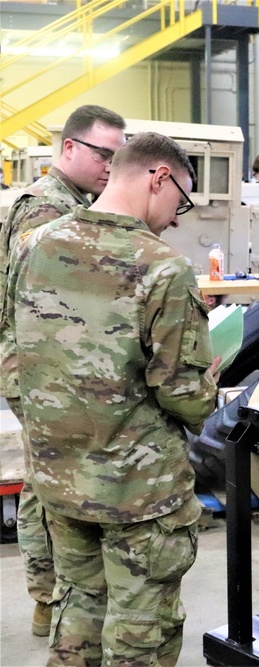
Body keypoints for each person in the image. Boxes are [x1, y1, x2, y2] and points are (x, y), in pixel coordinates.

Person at [5, 132, 220, 666]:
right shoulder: (162, 267)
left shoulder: (35, 244)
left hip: (58, 476)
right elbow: (184, 396)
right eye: (181, 202)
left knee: (77, 611)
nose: (176, 218)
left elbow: (11, 349)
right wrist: (209, 380)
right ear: (158, 178)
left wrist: (45, 426)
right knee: (140, 630)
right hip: (137, 492)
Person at [0, 104, 126, 638]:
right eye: (103, 155)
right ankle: (49, 596)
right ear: (69, 148)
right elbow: (45, 307)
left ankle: (59, 594)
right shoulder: (44, 210)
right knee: (48, 487)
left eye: (119, 159)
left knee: (52, 480)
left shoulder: (77, 203)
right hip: (41, 370)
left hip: (56, 367)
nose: (111, 167)